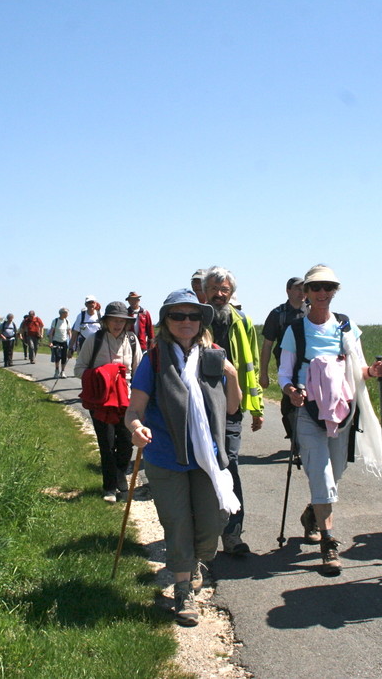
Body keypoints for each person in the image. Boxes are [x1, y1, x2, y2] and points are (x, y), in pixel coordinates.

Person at [125, 289, 242, 626]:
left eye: (193, 316)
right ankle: (182, 590)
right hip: (165, 456)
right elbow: (135, 409)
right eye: (178, 316)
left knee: (212, 523)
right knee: (177, 523)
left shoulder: (214, 356)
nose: (186, 322)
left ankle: (194, 563)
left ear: (202, 320)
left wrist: (231, 376)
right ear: (167, 321)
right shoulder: (156, 359)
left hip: (208, 458)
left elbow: (232, 408)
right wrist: (136, 428)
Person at [278, 264, 382, 575]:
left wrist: (375, 372)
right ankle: (329, 542)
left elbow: (361, 370)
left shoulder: (346, 326)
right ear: (306, 293)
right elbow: (285, 374)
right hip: (308, 412)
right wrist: (290, 391)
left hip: (342, 413)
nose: (323, 293)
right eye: (316, 288)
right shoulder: (296, 330)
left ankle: (313, 512)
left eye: (329, 287)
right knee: (322, 475)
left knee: (335, 473)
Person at [204, 266, 264, 556]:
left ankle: (232, 533)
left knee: (230, 465)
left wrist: (257, 407)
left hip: (232, 407)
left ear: (231, 293)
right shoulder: (193, 320)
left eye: (224, 289)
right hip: (199, 408)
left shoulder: (242, 322)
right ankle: (202, 537)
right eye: (214, 289)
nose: (219, 294)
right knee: (202, 469)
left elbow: (251, 365)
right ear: (204, 291)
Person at [75, 301, 142, 503]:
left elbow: (139, 372)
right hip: (100, 402)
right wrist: (101, 375)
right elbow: (79, 369)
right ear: (106, 321)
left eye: (122, 321)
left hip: (126, 402)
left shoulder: (132, 340)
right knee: (106, 444)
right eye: (114, 320)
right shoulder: (94, 340)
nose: (118, 324)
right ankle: (110, 488)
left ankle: (120, 474)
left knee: (125, 445)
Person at [260, 276, 309, 439]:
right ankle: (294, 436)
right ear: (288, 290)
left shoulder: (312, 312)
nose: (301, 292)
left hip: (310, 367)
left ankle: (305, 440)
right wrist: (264, 374)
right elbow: (267, 345)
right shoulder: (277, 315)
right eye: (297, 288)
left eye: (304, 288)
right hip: (286, 367)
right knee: (289, 403)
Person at [46, 308, 71, 378]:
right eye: (66, 313)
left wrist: (71, 341)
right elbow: (51, 332)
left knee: (64, 357)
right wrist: (50, 342)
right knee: (57, 356)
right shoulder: (55, 321)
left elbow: (69, 332)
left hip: (64, 341)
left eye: (67, 313)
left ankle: (62, 371)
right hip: (56, 341)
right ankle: (56, 370)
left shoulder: (67, 321)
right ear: (62, 313)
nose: (67, 314)